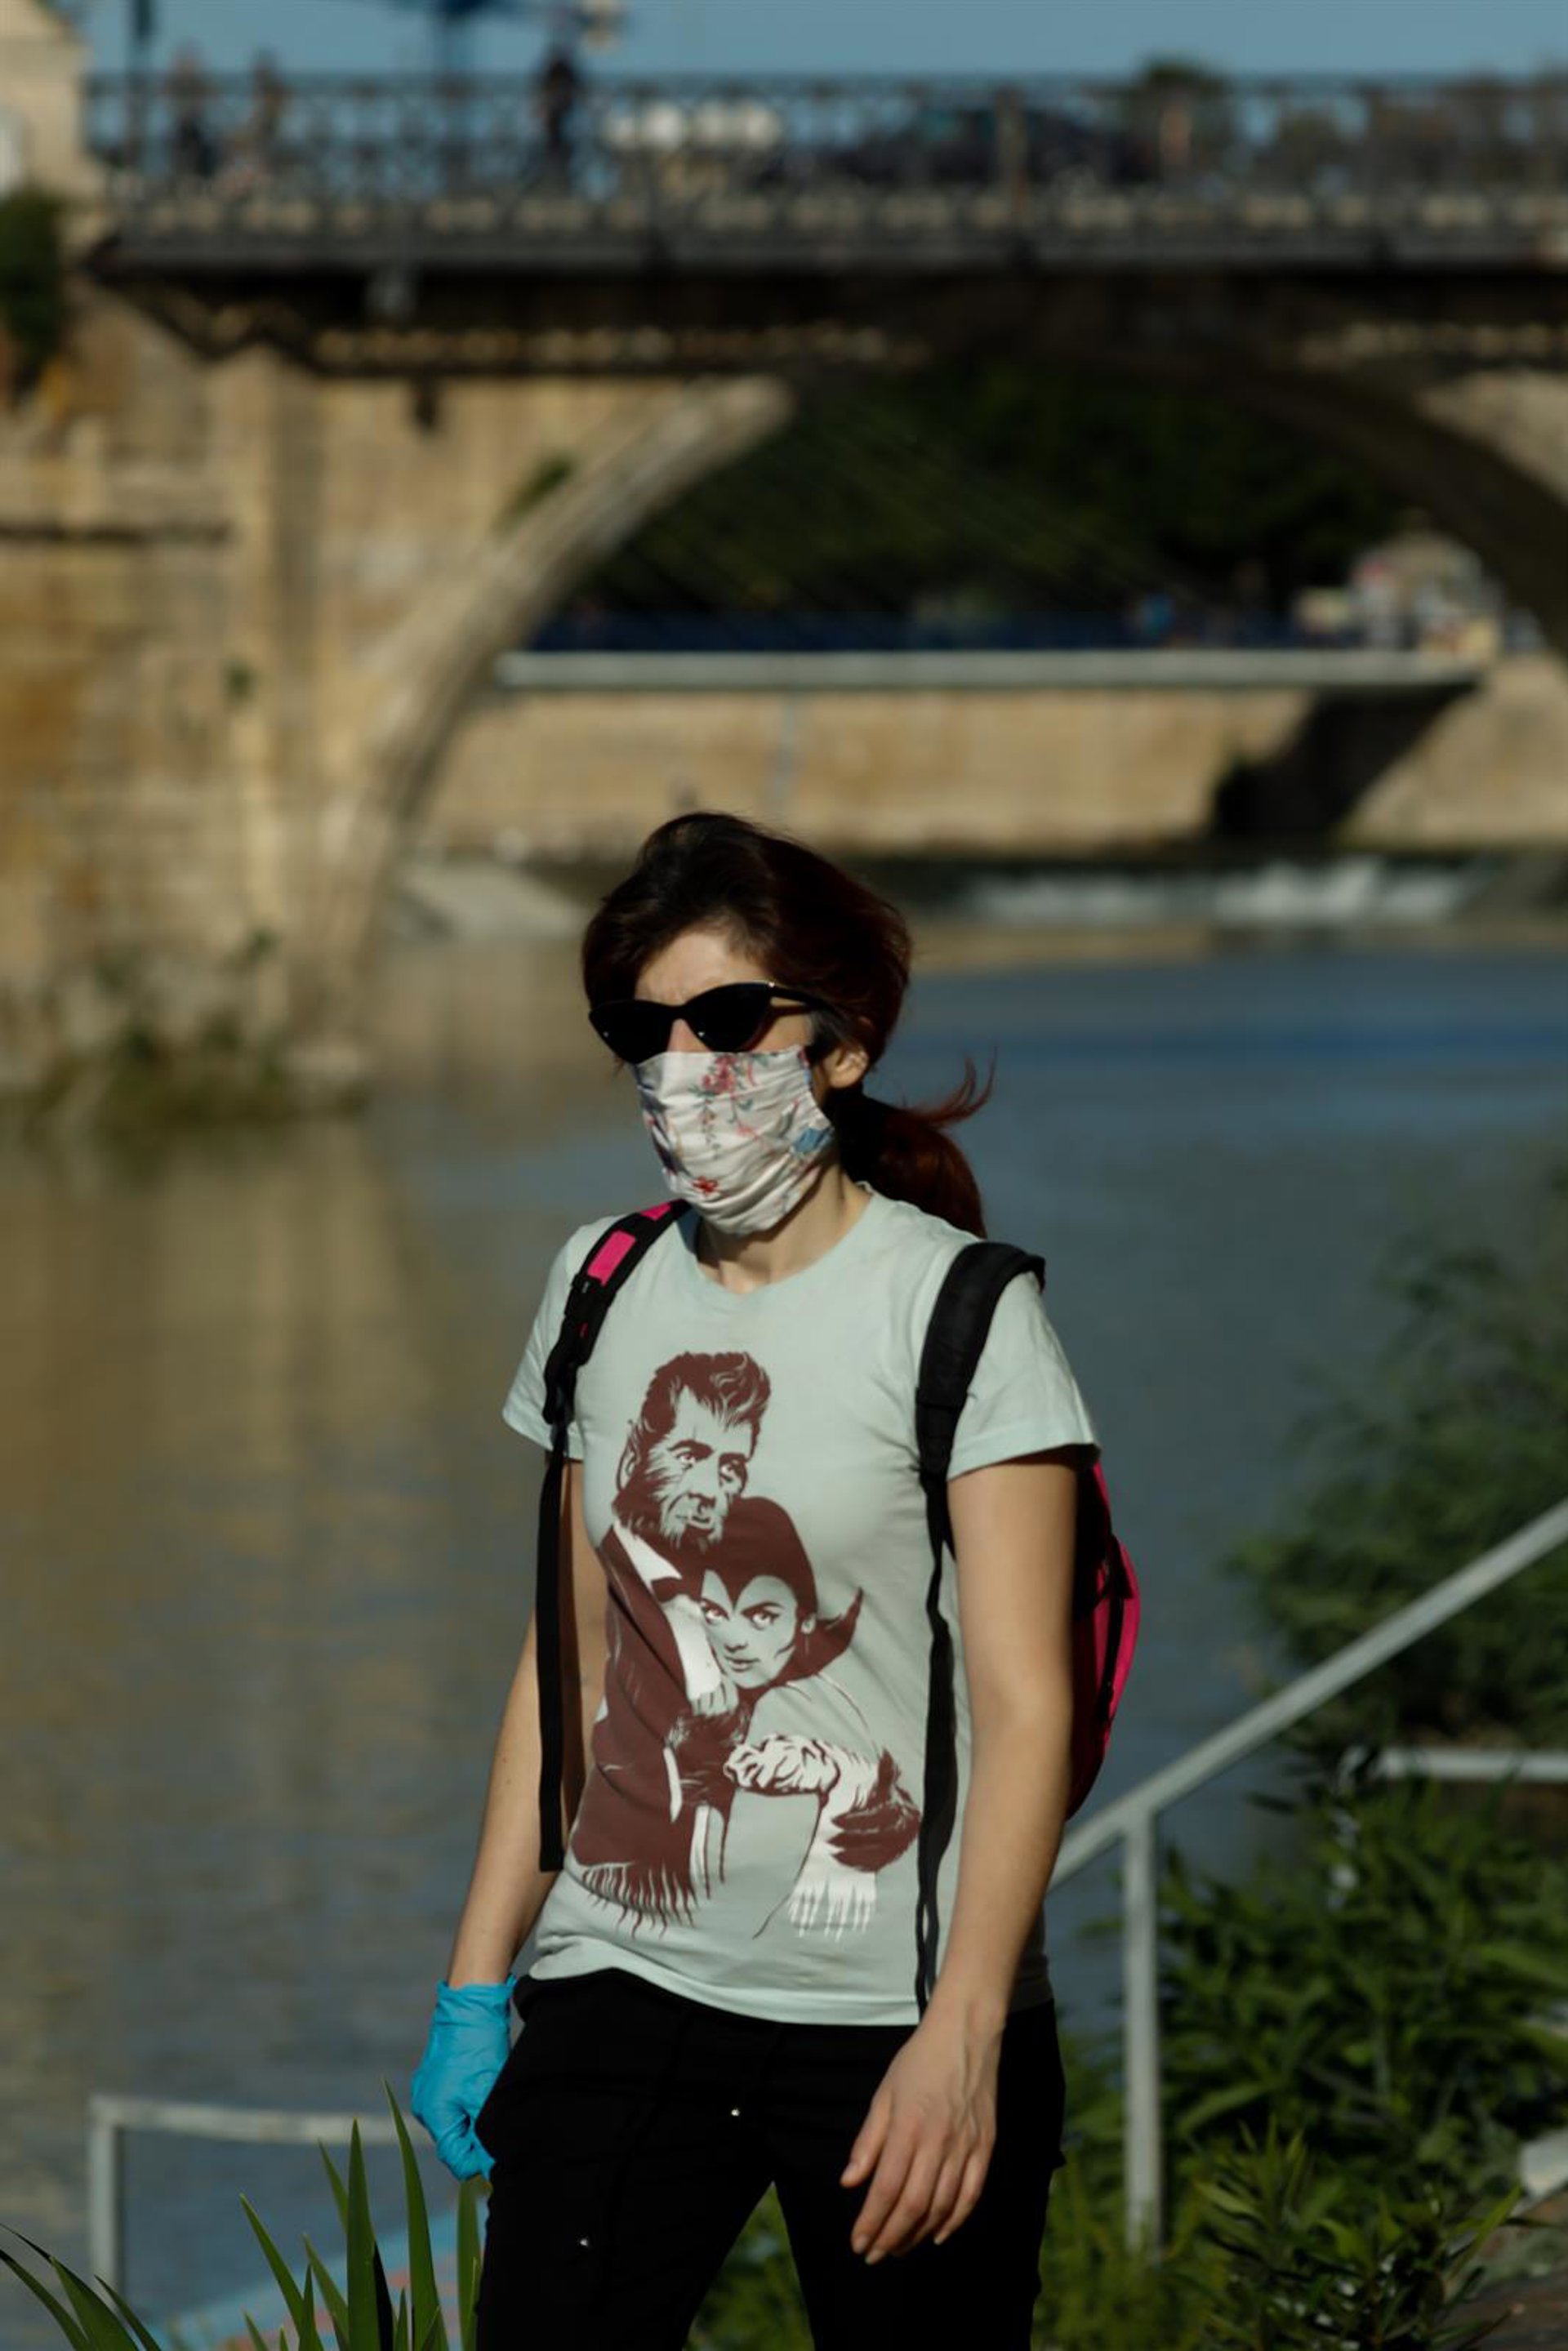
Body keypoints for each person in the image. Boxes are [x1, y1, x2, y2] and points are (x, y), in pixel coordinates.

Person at [411, 811, 1101, 2348]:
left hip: (891, 2015)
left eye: (727, 1019)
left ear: (841, 1045)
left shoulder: (962, 1316)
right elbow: (569, 1659)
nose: (683, 1065)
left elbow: (1026, 1708)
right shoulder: (599, 1286)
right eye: (641, 1028)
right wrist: (476, 1983)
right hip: (623, 1977)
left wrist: (965, 2035)